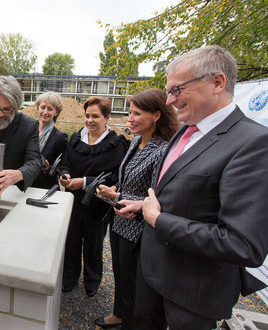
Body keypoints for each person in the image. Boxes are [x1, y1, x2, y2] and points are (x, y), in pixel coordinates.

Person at [137, 45, 268, 329]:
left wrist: (158, 219)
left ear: (217, 82)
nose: (169, 101)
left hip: (192, 294)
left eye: (177, 90)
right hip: (152, 276)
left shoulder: (257, 145)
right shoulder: (186, 130)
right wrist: (142, 207)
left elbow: (243, 244)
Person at [93, 89, 179, 329]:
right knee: (120, 276)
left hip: (139, 230)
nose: (129, 118)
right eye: (130, 112)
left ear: (157, 116)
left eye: (136, 113)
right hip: (119, 222)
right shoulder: (135, 142)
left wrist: (117, 195)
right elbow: (128, 179)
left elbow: (155, 196)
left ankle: (129, 321)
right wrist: (115, 189)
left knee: (135, 285)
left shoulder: (162, 151)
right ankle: (119, 314)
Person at [58, 96, 128, 297]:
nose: (89, 120)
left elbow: (116, 175)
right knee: (71, 242)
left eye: (95, 116)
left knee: (94, 244)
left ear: (106, 117)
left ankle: (92, 279)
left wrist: (85, 181)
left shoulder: (116, 144)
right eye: (87, 116)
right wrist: (65, 175)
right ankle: (69, 277)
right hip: (73, 201)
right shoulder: (76, 138)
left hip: (98, 205)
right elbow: (65, 162)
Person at [31, 91, 68, 189]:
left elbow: (63, 166)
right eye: (42, 107)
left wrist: (48, 168)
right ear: (38, 108)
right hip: (25, 183)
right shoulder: (29, 130)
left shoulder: (60, 137)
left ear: (56, 112)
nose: (45, 112)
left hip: (45, 187)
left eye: (50, 109)